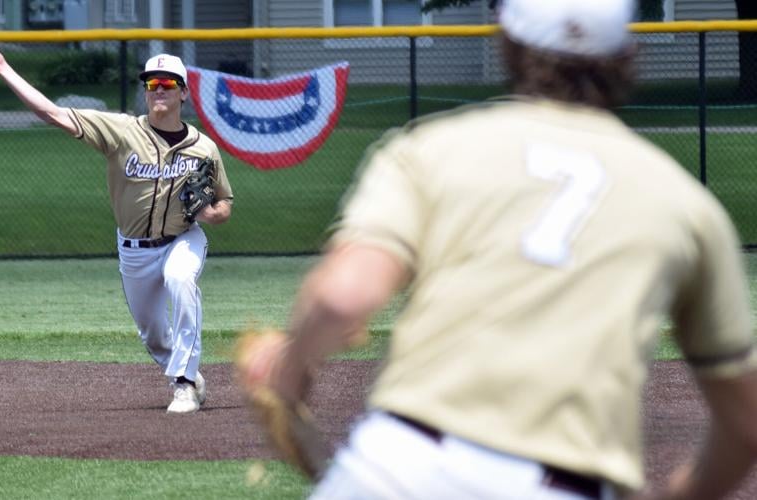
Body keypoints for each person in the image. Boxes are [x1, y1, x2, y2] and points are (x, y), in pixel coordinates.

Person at [239, 0, 757, 498]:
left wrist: (287, 371)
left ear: (506, 40)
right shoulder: (686, 205)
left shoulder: (429, 149)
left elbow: (342, 298)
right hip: (562, 484)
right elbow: (746, 422)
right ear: (627, 54)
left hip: (399, 464)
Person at [0, 47, 234, 414]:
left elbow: (225, 203)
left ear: (183, 92)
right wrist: (3, 68)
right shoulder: (122, 131)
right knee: (154, 336)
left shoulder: (203, 148)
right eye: (152, 83)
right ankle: (183, 369)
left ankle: (185, 384)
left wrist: (212, 214)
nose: (158, 90)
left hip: (182, 238)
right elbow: (53, 113)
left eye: (167, 83)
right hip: (134, 250)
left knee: (180, 279)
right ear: (145, 91)